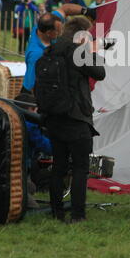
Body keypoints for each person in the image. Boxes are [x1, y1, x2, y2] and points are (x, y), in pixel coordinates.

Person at [41, 16, 106, 223]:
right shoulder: (78, 52)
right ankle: (78, 215)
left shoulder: (50, 51)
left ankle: (56, 212)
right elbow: (100, 73)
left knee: (59, 166)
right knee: (80, 167)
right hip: (76, 117)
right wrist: (93, 51)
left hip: (53, 117)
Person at [22, 6, 96, 93]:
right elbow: (32, 86)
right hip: (33, 95)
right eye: (58, 31)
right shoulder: (37, 55)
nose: (61, 33)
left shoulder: (44, 25)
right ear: (49, 33)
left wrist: (86, 11)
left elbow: (65, 9)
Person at [14, 92, 52, 209]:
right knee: (34, 208)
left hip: (14, 165)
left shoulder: (13, 120)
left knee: (31, 187)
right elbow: (43, 145)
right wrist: (60, 146)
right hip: (18, 168)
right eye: (35, 110)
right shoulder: (29, 124)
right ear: (29, 110)